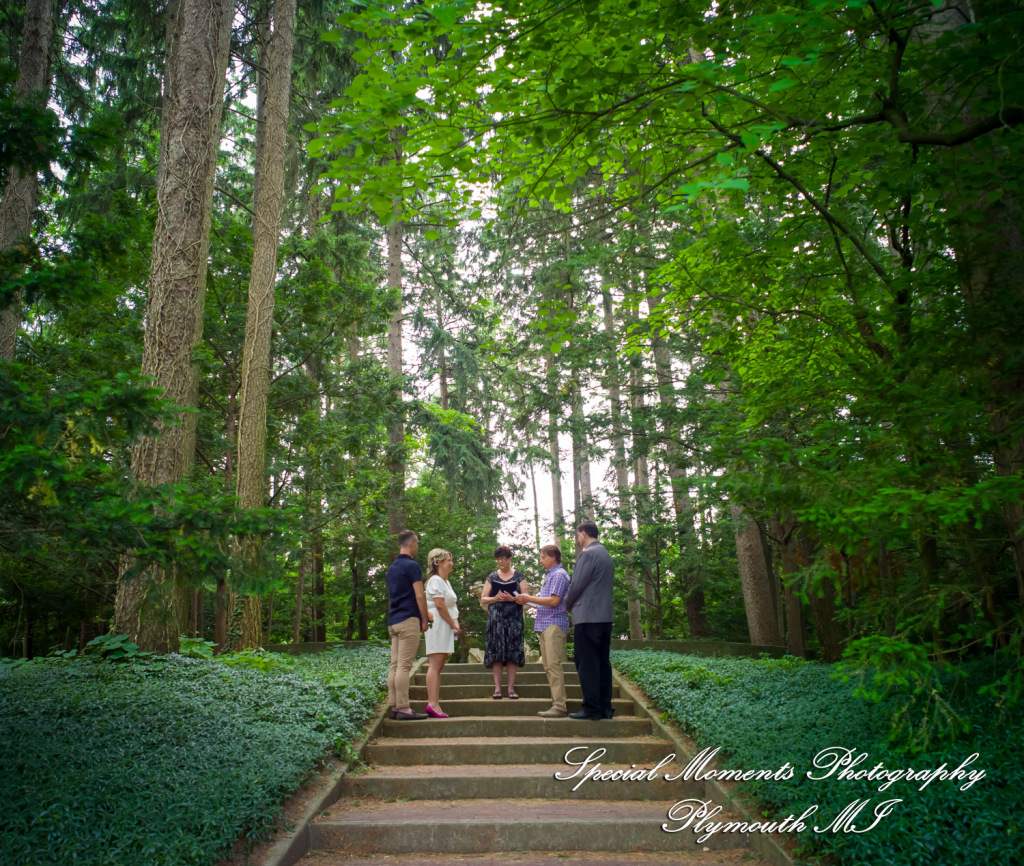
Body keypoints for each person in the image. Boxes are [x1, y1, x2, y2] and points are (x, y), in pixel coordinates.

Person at [563, 521, 615, 720]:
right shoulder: (605, 554)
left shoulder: (588, 554)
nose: (577, 539)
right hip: (605, 617)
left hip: (587, 617)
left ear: (583, 534)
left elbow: (577, 584)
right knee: (602, 662)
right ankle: (605, 708)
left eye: (578, 535)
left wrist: (568, 604)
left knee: (586, 662)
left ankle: (591, 708)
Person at [516, 544, 570, 717]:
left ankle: (560, 706)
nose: (541, 561)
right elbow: (543, 601)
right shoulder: (551, 576)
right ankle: (556, 703)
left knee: (553, 665)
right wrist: (521, 600)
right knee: (548, 666)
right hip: (545, 624)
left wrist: (528, 598)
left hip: (554, 624)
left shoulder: (560, 575)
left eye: (543, 557)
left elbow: (554, 601)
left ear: (553, 557)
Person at [386, 529, 429, 720]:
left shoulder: (392, 567)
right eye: (417, 543)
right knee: (404, 666)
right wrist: (424, 619)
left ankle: (394, 706)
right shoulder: (412, 566)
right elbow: (420, 595)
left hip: (393, 620)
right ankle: (404, 708)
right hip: (408, 620)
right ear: (411, 543)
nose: (417, 546)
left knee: (394, 666)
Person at [481, 545, 528, 699]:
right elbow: (483, 598)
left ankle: (511, 689)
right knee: (497, 653)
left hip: (514, 620)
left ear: (510, 559)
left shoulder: (519, 576)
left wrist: (512, 598)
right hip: (496, 621)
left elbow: (526, 598)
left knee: (512, 653)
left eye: (503, 558)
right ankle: (497, 688)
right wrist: (495, 598)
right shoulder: (492, 577)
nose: (500, 561)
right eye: (498, 559)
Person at [423, 547, 459, 718]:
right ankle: (432, 703)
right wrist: (452, 623)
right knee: (435, 665)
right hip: (438, 623)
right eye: (448, 560)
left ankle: (435, 702)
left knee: (440, 665)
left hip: (446, 623)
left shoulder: (446, 582)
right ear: (438, 563)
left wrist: (455, 622)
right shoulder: (435, 580)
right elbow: (439, 604)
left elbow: (452, 605)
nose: (451, 563)